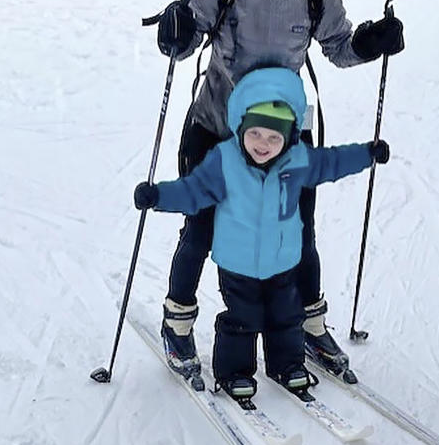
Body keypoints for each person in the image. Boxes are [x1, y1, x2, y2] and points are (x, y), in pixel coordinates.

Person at [153, 0, 404, 378]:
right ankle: (177, 323)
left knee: (298, 231)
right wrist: (176, 29)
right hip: (217, 128)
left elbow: (339, 47)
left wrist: (371, 42)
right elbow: (184, 44)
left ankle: (310, 325)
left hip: (285, 139)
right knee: (201, 228)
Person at [133, 67, 390, 400]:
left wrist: (367, 154)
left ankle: (289, 365)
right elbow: (193, 191)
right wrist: (158, 197)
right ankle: (233, 373)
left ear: (288, 138)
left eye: (273, 138)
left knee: (286, 315)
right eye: (255, 134)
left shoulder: (298, 160)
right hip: (237, 264)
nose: (262, 145)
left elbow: (332, 162)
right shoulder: (224, 161)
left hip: (283, 260)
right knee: (243, 319)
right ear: (240, 127)